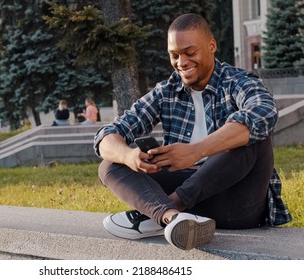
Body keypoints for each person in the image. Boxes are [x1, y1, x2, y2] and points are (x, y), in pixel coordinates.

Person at [94, 13, 291, 251]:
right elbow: (109, 134)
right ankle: (171, 218)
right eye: (174, 55)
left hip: (235, 204)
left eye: (190, 52)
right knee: (110, 164)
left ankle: (159, 212)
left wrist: (195, 152)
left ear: (211, 46)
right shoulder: (166, 91)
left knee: (254, 138)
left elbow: (264, 112)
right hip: (189, 203)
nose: (181, 62)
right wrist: (128, 156)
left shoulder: (237, 81)